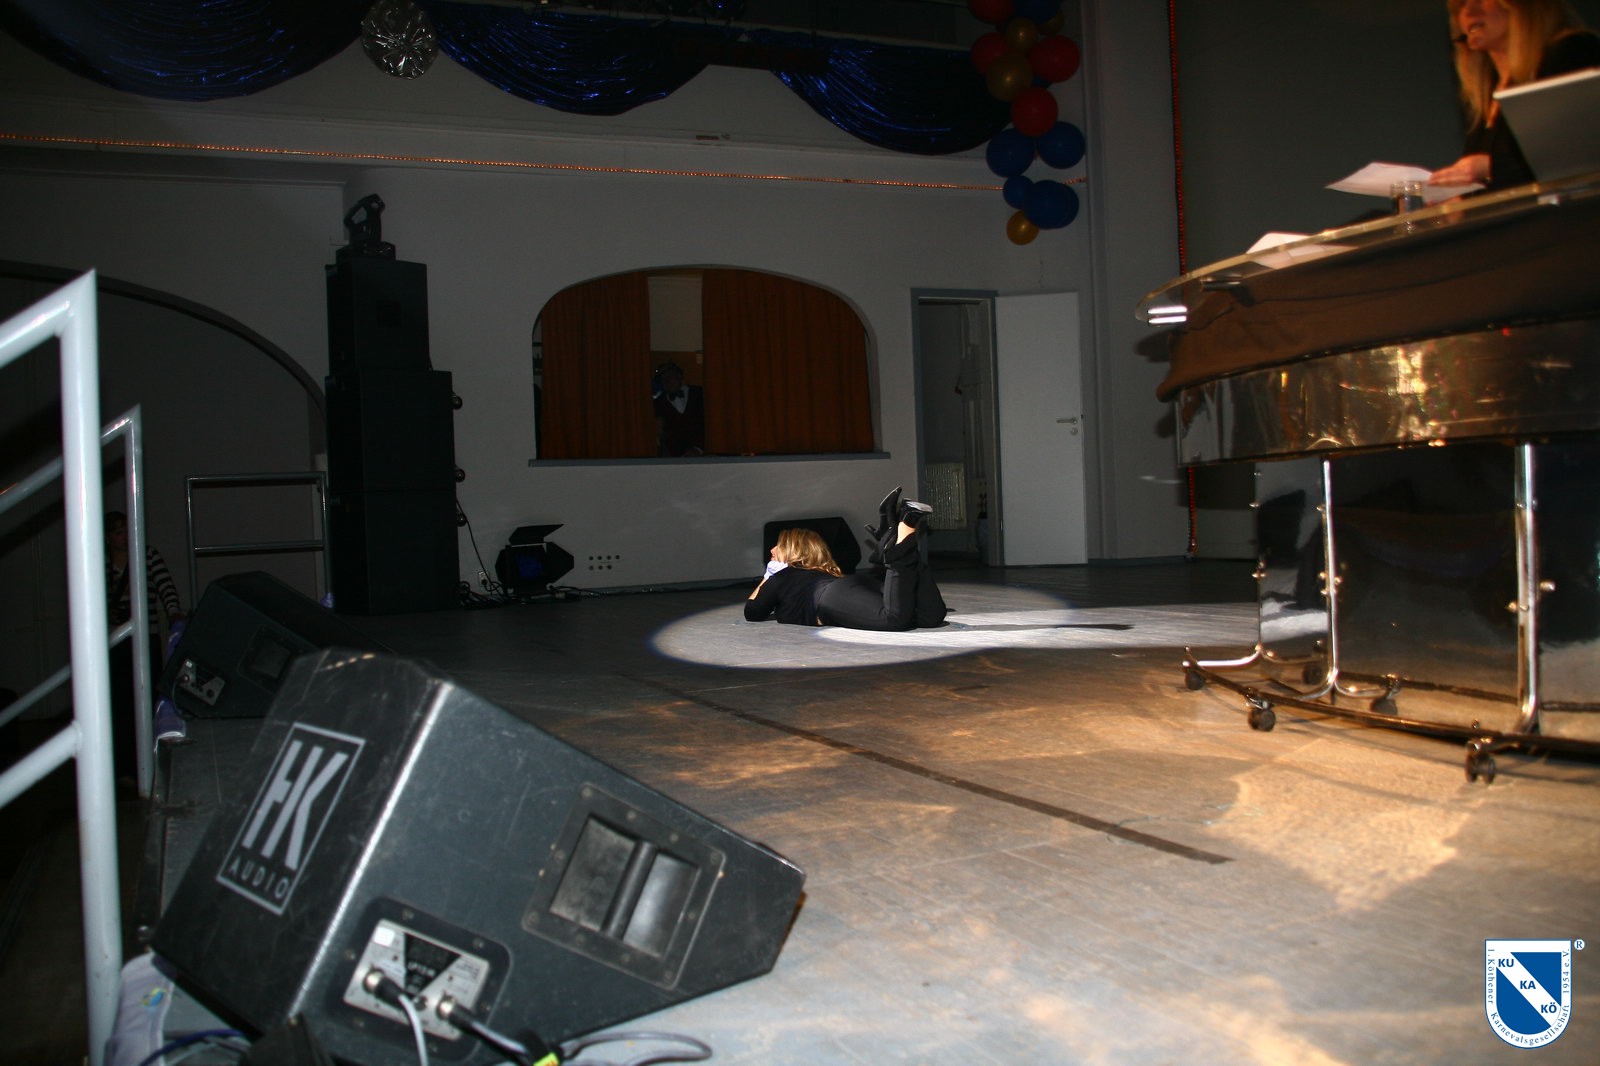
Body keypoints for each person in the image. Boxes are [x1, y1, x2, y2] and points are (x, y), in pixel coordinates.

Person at [1429, 0, 1600, 192]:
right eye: (1460, 5)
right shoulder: (1485, 98)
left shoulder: (1570, 52)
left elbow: (1577, 155)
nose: (1469, 10)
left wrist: (1488, 166)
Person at [745, 491, 948, 631]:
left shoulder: (782, 576)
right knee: (930, 617)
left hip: (829, 597)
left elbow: (753, 612)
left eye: (778, 546)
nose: (772, 550)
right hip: (852, 583)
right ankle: (905, 536)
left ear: (794, 550)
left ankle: (904, 529)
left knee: (894, 619)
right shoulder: (823, 571)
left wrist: (768, 576)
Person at [105, 511, 186, 777]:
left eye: (126, 530)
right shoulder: (102, 561)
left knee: (147, 698)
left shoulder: (146, 555)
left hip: (144, 638)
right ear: (108, 537)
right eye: (118, 532)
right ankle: (124, 767)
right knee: (120, 704)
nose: (124, 536)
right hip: (115, 641)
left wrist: (174, 613)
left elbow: (166, 588)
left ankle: (148, 764)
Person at [653, 361, 706, 456]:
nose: (666, 381)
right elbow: (663, 433)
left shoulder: (700, 394)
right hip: (675, 457)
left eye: (670, 376)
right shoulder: (658, 403)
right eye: (663, 379)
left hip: (706, 453)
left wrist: (698, 449)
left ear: (680, 376)